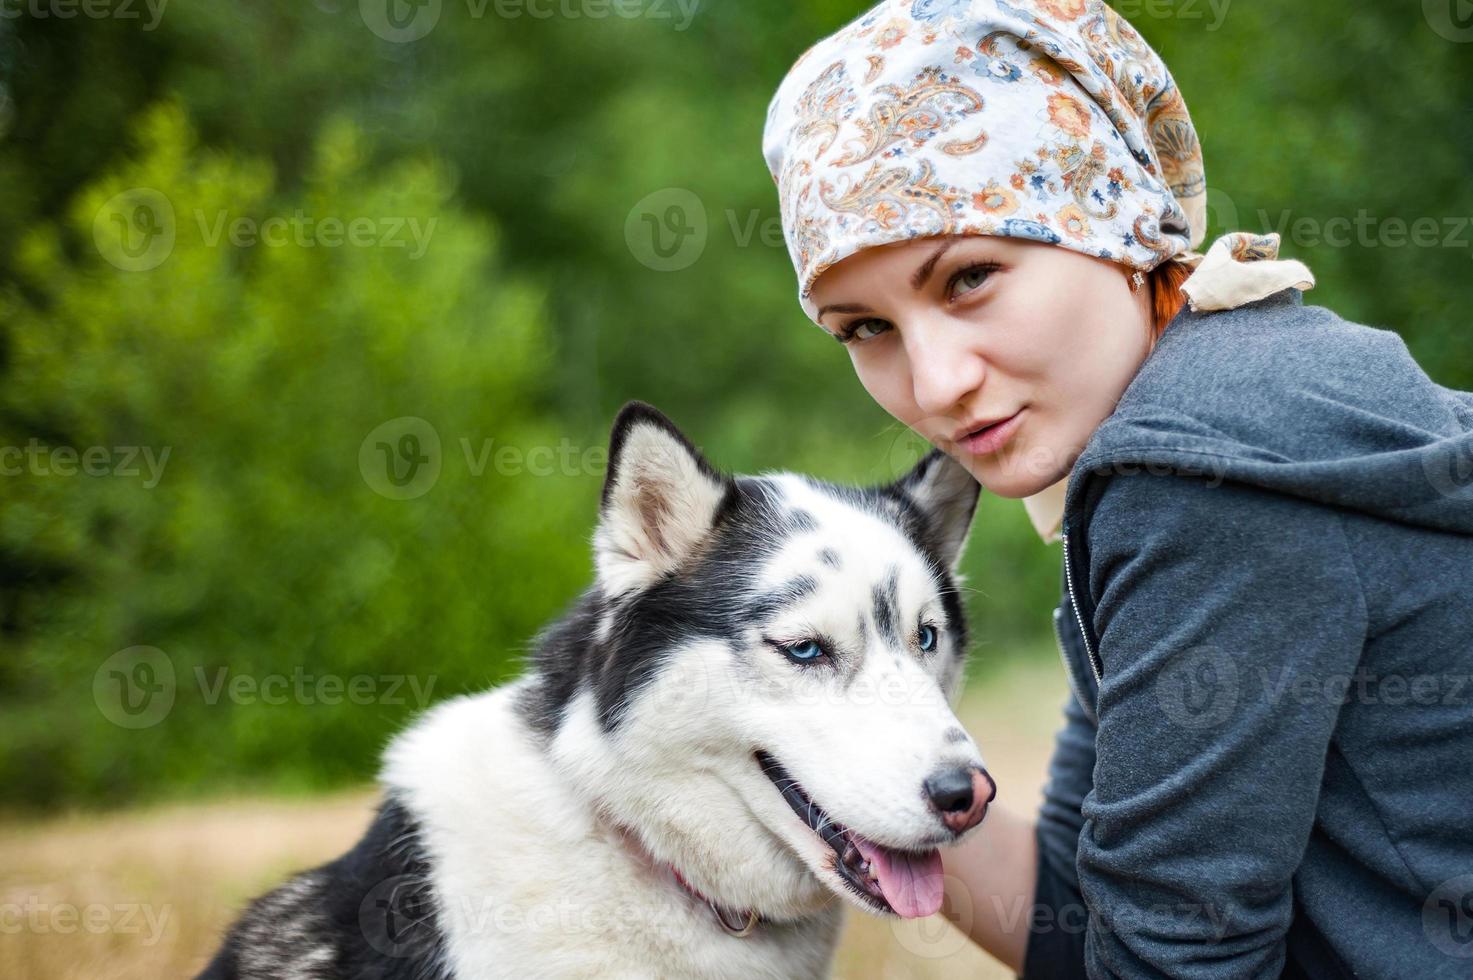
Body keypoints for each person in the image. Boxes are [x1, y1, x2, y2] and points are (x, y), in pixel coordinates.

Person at [761, 1, 1473, 977]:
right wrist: (840, 758)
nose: (933, 385)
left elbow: (1168, 964)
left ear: (1116, 221)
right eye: (863, 329)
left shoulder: (1198, 470)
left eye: (969, 274)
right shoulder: (1196, 421)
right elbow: (1075, 916)